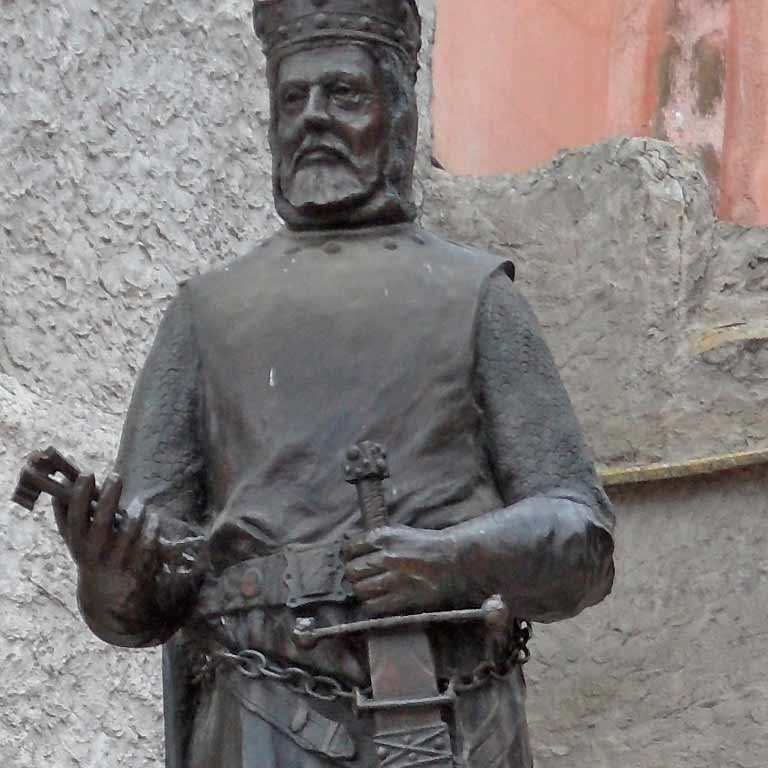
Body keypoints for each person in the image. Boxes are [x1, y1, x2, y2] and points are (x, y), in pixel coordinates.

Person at [53, 1, 615, 766]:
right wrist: (111, 574)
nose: (312, 117)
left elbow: (582, 539)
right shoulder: (204, 315)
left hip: (454, 725)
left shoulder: (479, 296)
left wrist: (452, 560)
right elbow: (143, 607)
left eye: (343, 94)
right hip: (260, 730)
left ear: (398, 107)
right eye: (293, 98)